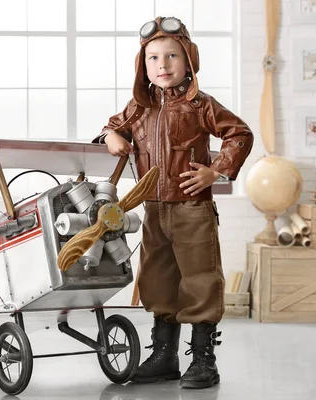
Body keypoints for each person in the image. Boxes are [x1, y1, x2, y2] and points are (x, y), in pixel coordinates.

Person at [92, 16, 254, 389]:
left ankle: (202, 360)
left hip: (192, 208)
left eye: (171, 56)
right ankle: (164, 357)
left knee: (199, 279)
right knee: (159, 279)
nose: (162, 65)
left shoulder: (201, 105)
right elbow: (113, 125)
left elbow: (239, 135)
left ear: (189, 61)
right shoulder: (139, 107)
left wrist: (215, 172)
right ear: (142, 65)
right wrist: (110, 135)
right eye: (152, 58)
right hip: (152, 209)